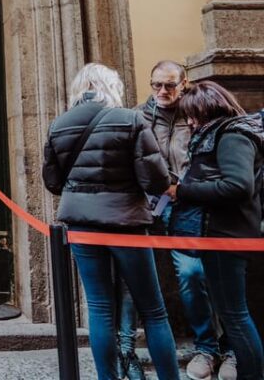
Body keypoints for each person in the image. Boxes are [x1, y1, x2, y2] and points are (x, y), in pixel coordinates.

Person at [42, 63, 179, 380]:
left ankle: (107, 378)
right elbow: (155, 179)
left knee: (99, 307)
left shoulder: (60, 124)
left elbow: (52, 182)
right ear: (112, 87)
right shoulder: (131, 119)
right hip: (126, 222)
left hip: (82, 225)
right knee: (154, 310)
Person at [117, 61, 235, 380]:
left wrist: (186, 187)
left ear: (184, 83)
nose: (162, 92)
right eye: (156, 85)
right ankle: (125, 351)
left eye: (169, 85)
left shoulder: (197, 114)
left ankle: (209, 348)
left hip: (190, 203)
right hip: (149, 205)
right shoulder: (138, 116)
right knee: (130, 276)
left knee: (193, 272)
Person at [169, 81, 264, 380]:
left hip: (227, 236)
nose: (190, 122)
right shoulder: (228, 133)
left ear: (205, 109)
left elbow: (237, 186)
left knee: (235, 317)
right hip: (224, 234)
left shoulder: (233, 135)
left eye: (192, 115)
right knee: (235, 315)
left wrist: (183, 191)